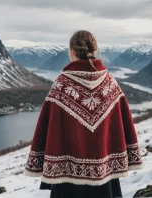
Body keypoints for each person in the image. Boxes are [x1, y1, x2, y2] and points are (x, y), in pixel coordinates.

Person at [24, 30, 144, 198]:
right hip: (105, 176)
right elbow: (122, 123)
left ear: (72, 51)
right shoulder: (110, 83)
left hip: (67, 177)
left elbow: (48, 127)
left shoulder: (62, 84)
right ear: (94, 50)